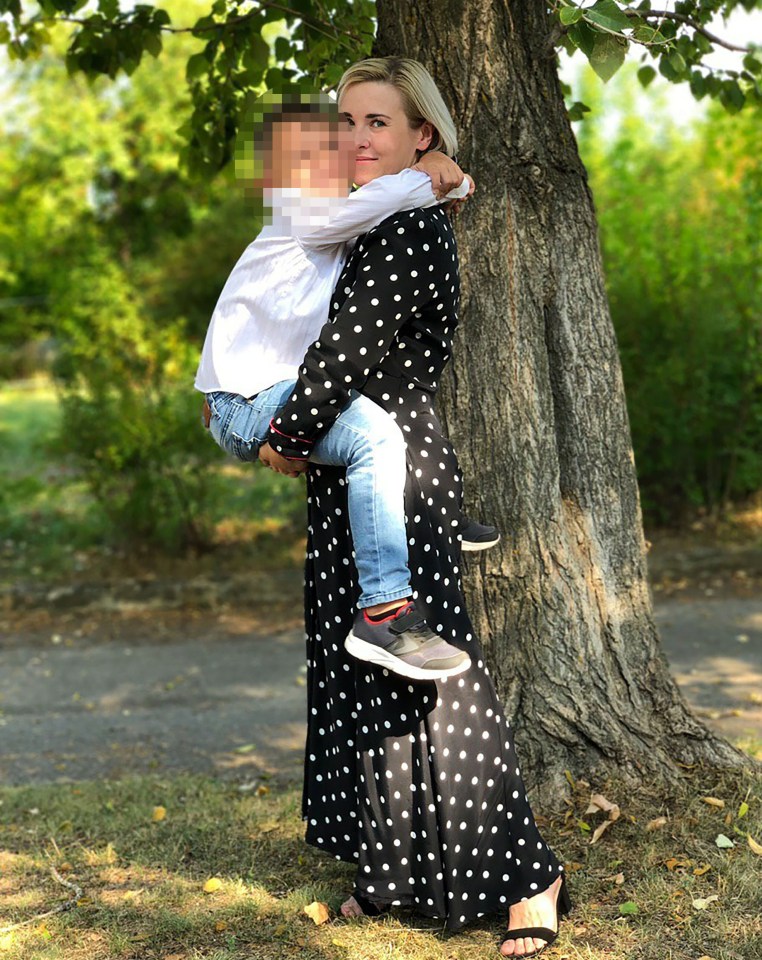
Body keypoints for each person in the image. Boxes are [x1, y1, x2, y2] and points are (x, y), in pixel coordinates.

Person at [262, 58, 573, 957]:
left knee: (437, 677)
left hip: (395, 476)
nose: (356, 138)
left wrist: (284, 429)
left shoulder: (405, 232)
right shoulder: (370, 219)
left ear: (420, 136)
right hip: (350, 472)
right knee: (358, 669)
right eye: (346, 122)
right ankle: (389, 872)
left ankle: (528, 877)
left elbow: (348, 351)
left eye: (379, 123)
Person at [196, 91, 484, 680]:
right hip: (252, 402)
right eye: (328, 143)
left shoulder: (334, 223)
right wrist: (434, 178)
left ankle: (438, 515)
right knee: (374, 439)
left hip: (250, 394)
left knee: (377, 439)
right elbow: (377, 200)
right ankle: (384, 610)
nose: (344, 150)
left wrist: (444, 184)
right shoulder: (304, 214)